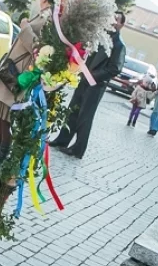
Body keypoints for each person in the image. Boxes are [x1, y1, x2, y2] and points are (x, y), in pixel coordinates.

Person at [0, 0, 62, 162]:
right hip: (12, 68)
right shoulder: (44, 15)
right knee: (0, 114)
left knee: (6, 117)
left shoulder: (48, 18)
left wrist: (25, 27)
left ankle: (0, 155)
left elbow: (39, 48)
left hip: (19, 73)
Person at [49, 11, 127, 158]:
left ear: (121, 25)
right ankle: (62, 140)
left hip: (96, 85)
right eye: (112, 17)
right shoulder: (99, 36)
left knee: (85, 117)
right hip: (83, 80)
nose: (112, 20)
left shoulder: (119, 45)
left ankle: (78, 149)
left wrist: (93, 76)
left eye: (116, 19)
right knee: (72, 111)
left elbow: (115, 68)